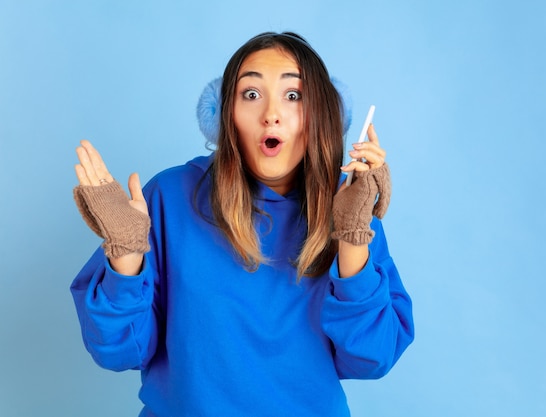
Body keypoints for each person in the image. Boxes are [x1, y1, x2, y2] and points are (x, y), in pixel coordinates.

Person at [70, 31, 414, 417]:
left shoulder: (349, 200)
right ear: (224, 116)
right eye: (251, 94)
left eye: (293, 95)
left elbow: (372, 358)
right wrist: (126, 256)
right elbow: (117, 351)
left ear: (322, 114)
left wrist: (352, 235)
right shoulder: (169, 196)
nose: (271, 113)